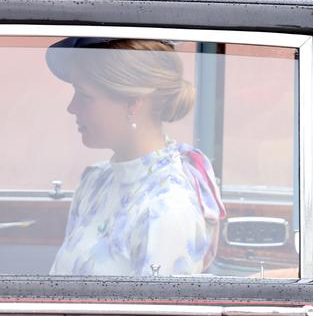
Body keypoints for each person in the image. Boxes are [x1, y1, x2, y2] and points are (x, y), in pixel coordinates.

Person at [47, 38, 226, 276]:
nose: (72, 107)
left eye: (84, 95)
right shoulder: (94, 182)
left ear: (133, 103)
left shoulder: (168, 208)